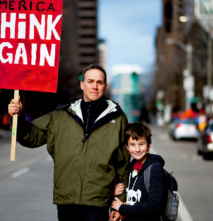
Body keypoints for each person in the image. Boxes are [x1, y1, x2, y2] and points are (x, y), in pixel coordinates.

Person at [8, 63, 129, 221]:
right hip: (66, 201)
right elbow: (31, 137)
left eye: (99, 83)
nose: (94, 86)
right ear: (82, 84)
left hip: (98, 202)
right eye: (90, 81)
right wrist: (18, 117)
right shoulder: (60, 116)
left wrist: (120, 202)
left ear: (105, 87)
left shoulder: (118, 118)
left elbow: (124, 164)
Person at [111, 122, 167, 221]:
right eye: (132, 144)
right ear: (127, 147)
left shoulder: (155, 168)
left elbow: (155, 206)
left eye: (141, 144)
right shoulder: (129, 167)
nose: (137, 149)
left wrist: (123, 208)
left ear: (149, 144)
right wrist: (113, 192)